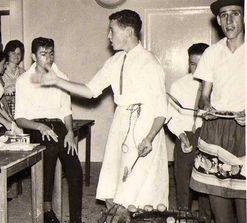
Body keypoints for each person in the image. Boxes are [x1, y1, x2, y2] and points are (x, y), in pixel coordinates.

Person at [36, 11, 168, 212]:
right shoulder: (115, 61)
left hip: (145, 127)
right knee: (113, 181)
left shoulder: (150, 63)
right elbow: (90, 90)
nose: (108, 36)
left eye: (112, 31)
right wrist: (57, 81)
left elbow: (161, 110)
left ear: (128, 31)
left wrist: (149, 138)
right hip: (121, 121)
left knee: (140, 184)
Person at [189, 0, 245, 223]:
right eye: (224, 16)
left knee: (244, 201)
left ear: (244, 17)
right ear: (219, 21)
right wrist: (206, 104)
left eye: (235, 14)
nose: (229, 20)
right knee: (217, 198)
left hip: (244, 131)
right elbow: (204, 92)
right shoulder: (211, 53)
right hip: (215, 129)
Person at [15, 37, 90, 223]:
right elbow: (19, 117)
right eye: (43, 54)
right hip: (36, 126)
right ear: (33, 56)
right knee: (48, 153)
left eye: (51, 53)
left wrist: (71, 132)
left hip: (59, 126)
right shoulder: (24, 80)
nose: (48, 58)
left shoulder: (60, 77)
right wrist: (39, 126)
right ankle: (47, 210)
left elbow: (66, 110)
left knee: (75, 169)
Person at [166, 43, 215, 223]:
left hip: (207, 136)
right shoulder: (178, 86)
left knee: (206, 186)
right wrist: (181, 135)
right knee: (183, 181)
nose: (196, 69)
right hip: (185, 136)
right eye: (192, 64)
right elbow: (170, 117)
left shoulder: (215, 86)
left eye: (200, 64)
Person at [3, 40, 26, 116]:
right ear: (7, 54)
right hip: (5, 110)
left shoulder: (23, 72)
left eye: (19, 53)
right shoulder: (1, 71)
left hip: (20, 110)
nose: (16, 56)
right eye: (13, 53)